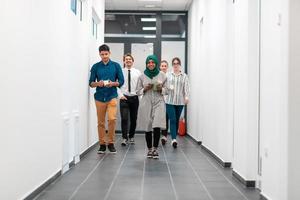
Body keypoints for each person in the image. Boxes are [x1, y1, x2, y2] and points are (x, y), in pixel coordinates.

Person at [89, 44, 124, 154]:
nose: (104, 56)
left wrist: (113, 83)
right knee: (100, 122)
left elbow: (121, 81)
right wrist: (98, 83)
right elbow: (91, 83)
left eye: (106, 54)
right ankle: (102, 144)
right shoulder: (95, 66)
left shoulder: (116, 66)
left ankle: (111, 143)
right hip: (99, 97)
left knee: (112, 119)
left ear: (109, 53)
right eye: (102, 54)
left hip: (112, 96)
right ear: (99, 54)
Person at [136, 55, 167, 159]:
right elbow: (137, 91)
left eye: (152, 62)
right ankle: (149, 149)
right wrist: (144, 89)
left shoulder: (162, 75)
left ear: (156, 63)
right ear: (146, 64)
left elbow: (167, 90)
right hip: (146, 102)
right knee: (148, 125)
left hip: (159, 101)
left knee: (157, 124)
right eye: (149, 62)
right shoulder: (142, 76)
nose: (151, 64)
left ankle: (155, 149)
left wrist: (160, 89)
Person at [165, 57, 190, 148]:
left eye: (177, 63)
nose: (176, 65)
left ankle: (173, 137)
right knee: (173, 119)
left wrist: (186, 97)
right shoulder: (168, 75)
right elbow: (164, 86)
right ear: (172, 65)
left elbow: (186, 88)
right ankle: (174, 139)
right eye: (174, 63)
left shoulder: (184, 76)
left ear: (180, 65)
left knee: (176, 119)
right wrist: (167, 89)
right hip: (169, 101)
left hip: (180, 101)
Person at [118, 53, 141, 146]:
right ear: (124, 61)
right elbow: (116, 84)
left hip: (134, 98)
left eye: (130, 59)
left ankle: (131, 136)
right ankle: (124, 138)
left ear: (133, 61)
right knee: (124, 118)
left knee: (133, 119)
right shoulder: (120, 72)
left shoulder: (138, 72)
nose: (128, 61)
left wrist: (140, 95)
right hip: (124, 97)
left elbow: (141, 85)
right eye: (126, 59)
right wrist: (120, 95)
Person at [159, 60, 169, 145]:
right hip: (158, 100)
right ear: (160, 67)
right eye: (162, 66)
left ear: (167, 67)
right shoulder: (157, 76)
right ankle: (156, 135)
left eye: (165, 66)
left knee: (166, 118)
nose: (163, 67)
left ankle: (164, 136)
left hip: (168, 100)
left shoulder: (169, 76)